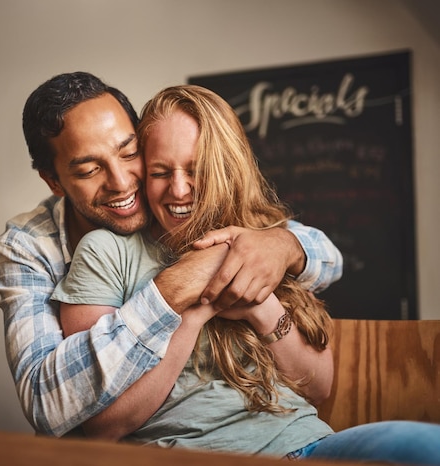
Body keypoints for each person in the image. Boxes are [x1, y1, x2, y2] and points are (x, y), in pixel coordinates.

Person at [52, 84, 440, 464]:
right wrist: (198, 306)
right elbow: (103, 424)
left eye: (196, 169)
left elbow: (319, 388)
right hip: (192, 454)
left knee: (426, 447)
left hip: (309, 444)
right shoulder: (107, 253)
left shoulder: (259, 239)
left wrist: (261, 304)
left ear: (225, 169)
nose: (179, 189)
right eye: (160, 172)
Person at [0, 72, 343, 437]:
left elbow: (328, 261)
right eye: (90, 170)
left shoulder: (193, 216)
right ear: (54, 182)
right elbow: (49, 405)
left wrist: (284, 246)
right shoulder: (26, 248)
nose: (123, 183)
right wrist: (183, 289)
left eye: (129, 153)